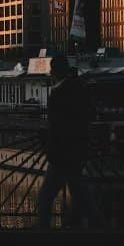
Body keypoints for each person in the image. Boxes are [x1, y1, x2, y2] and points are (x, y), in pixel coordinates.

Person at [36, 56, 94, 230]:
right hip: (76, 151)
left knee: (45, 196)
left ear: (55, 72)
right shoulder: (79, 89)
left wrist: (51, 148)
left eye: (52, 70)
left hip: (61, 155)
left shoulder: (57, 93)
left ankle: (43, 232)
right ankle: (97, 226)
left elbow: (56, 126)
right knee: (81, 195)